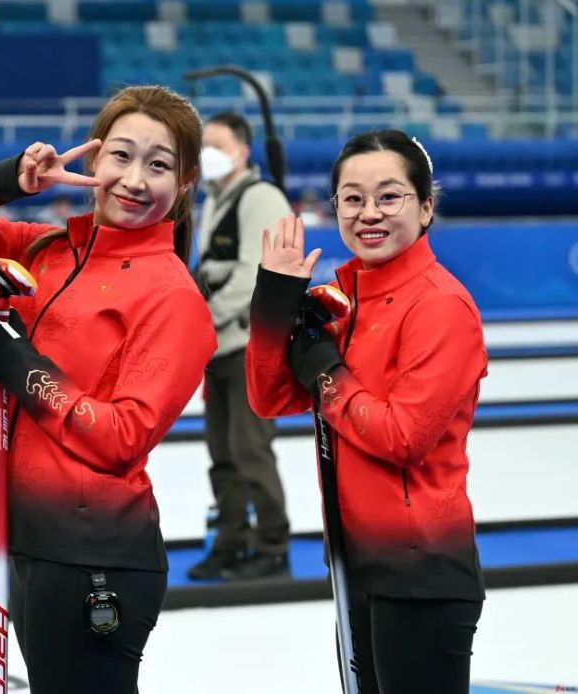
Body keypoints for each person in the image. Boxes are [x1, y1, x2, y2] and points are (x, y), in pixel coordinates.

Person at [0, 85, 216, 694]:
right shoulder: (42, 250)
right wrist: (13, 181)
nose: (134, 179)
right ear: (92, 162)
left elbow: (121, 438)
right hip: (30, 541)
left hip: (96, 556)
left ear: (185, 180)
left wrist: (18, 362)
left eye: (159, 164)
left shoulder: (174, 298)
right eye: (120, 156)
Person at [247, 130, 485, 693]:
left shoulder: (442, 307)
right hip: (356, 561)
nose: (368, 213)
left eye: (389, 196)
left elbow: (403, 437)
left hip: (421, 571)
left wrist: (326, 373)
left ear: (426, 207)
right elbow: (269, 397)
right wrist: (274, 304)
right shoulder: (346, 298)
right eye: (352, 198)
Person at [187, 111, 294, 581]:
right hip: (220, 348)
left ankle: (272, 545)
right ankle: (231, 541)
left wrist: (199, 322)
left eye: (216, 144)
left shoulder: (261, 197)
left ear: (242, 152)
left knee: (250, 450)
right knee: (222, 452)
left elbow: (254, 274)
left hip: (249, 347)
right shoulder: (213, 200)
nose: (206, 153)